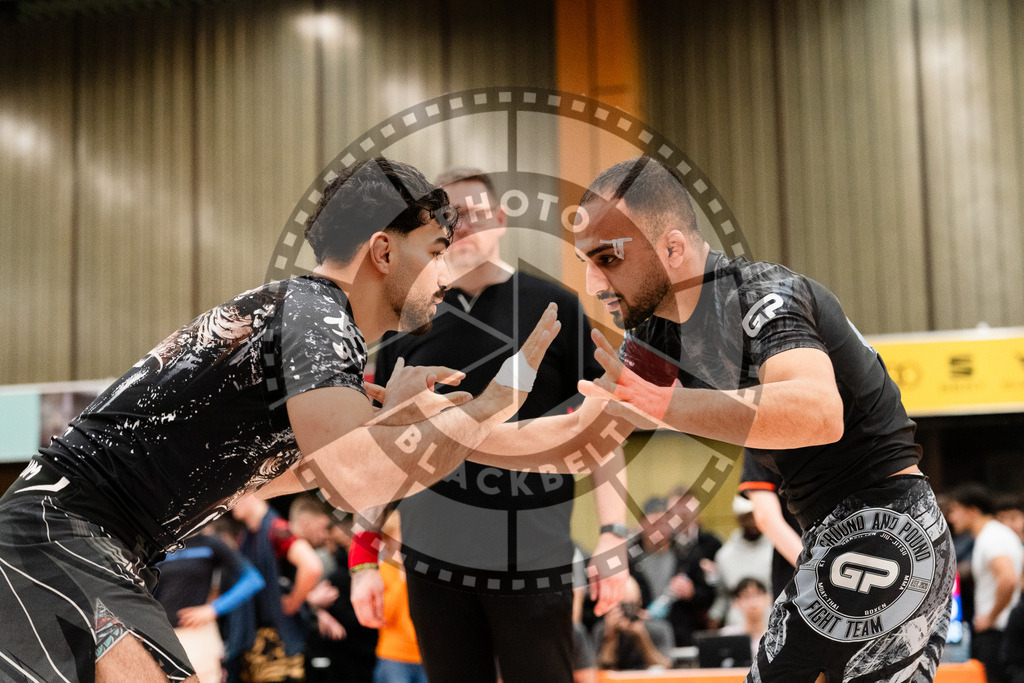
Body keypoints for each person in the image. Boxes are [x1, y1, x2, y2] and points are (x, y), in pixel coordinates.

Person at [0, 156, 560, 682]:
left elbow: (319, 479)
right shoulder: (317, 316)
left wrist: (408, 422)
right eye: (436, 250)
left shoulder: (304, 325)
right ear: (384, 252)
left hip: (75, 537)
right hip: (60, 531)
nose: (444, 273)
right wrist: (490, 404)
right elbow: (353, 481)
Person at [466, 155, 957, 682]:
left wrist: (666, 405)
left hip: (892, 524)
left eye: (606, 259)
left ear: (673, 248)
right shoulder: (655, 337)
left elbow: (818, 414)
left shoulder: (763, 296)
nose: (592, 282)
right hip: (832, 532)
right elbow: (577, 437)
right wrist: (459, 439)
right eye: (585, 261)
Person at [349, 168, 628, 683]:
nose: (465, 226)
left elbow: (601, 426)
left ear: (501, 219)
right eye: (450, 217)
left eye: (476, 214)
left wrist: (613, 533)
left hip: (533, 553)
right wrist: (363, 554)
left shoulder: (556, 306)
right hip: (432, 556)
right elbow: (380, 447)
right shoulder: (406, 320)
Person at [231, 494, 324, 682]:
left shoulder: (276, 528)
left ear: (252, 495)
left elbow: (312, 567)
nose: (230, 504)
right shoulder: (251, 533)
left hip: (277, 639)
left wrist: (293, 601)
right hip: (259, 638)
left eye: (235, 497)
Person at [153, 532, 266, 683]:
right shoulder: (159, 548)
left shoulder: (209, 544)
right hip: (163, 637)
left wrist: (213, 609)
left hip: (199, 635)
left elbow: (253, 579)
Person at [946, 483, 1024, 683]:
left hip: (998, 632)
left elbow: (1008, 579)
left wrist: (991, 617)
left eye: (955, 510)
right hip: (1003, 629)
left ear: (972, 510)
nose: (952, 517)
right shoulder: (993, 535)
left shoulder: (991, 537)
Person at [629, 495, 717, 647]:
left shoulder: (688, 554)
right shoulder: (629, 559)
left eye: (663, 523)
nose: (659, 529)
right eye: (653, 523)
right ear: (642, 524)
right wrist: (634, 613)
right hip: (640, 637)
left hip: (680, 636)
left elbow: (708, 597)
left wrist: (692, 593)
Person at [737, 456, 802, 599]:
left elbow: (767, 519)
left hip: (806, 571)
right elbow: (767, 519)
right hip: (807, 569)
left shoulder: (760, 437)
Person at [707, 496, 773, 629]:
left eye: (756, 515)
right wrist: (714, 618)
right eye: (747, 517)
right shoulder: (725, 555)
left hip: (773, 625)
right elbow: (723, 597)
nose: (753, 522)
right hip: (737, 628)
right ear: (739, 518)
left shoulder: (777, 550)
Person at [592, 576, 673, 671]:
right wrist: (610, 638)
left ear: (640, 602)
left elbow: (666, 668)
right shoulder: (602, 630)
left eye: (631, 605)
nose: (627, 612)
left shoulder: (658, 628)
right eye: (623, 606)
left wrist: (642, 637)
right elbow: (600, 670)